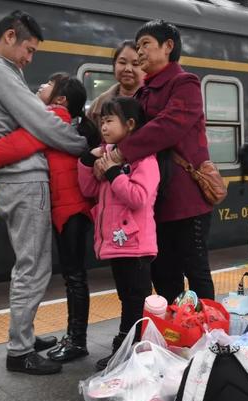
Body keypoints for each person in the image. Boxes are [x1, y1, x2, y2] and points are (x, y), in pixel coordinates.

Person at [0, 10, 87, 375]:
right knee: (33, 266)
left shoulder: (1, 71)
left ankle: (25, 334)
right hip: (23, 178)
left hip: (18, 177)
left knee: (30, 262)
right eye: (29, 49)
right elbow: (39, 121)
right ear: (9, 36)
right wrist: (80, 143)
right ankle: (19, 350)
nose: (29, 58)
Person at [96, 20, 214, 305]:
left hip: (185, 199)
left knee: (195, 272)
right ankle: (175, 335)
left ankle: (212, 339)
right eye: (137, 47)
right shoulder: (143, 93)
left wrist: (121, 154)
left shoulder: (185, 84)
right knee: (164, 275)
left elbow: (169, 126)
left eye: (145, 44)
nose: (139, 53)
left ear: (168, 46)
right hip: (154, 200)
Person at [78, 97, 159, 371]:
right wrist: (88, 161)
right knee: (127, 297)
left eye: (109, 120)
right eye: (101, 120)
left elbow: (138, 197)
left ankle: (126, 350)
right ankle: (130, 349)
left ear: (131, 125)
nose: (103, 125)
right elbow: (89, 190)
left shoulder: (144, 159)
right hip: (116, 243)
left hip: (136, 245)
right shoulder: (107, 154)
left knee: (136, 299)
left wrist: (114, 172)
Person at [87, 40, 144, 125]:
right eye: (122, 62)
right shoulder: (98, 105)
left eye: (135, 64)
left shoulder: (153, 102)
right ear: (114, 66)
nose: (128, 69)